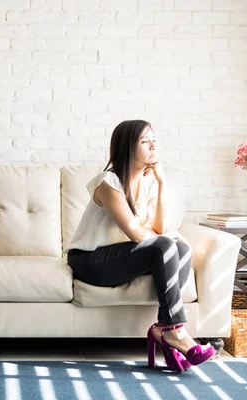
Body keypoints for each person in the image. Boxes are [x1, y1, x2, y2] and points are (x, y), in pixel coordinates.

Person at [65, 120, 214, 372]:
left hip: (122, 259)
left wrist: (162, 182)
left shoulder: (147, 184)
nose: (153, 145)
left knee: (181, 249)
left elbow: (159, 229)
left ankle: (163, 329)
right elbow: (135, 233)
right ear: (127, 148)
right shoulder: (108, 182)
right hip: (90, 261)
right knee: (167, 244)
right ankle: (175, 331)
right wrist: (171, 235)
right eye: (145, 141)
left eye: (154, 139)